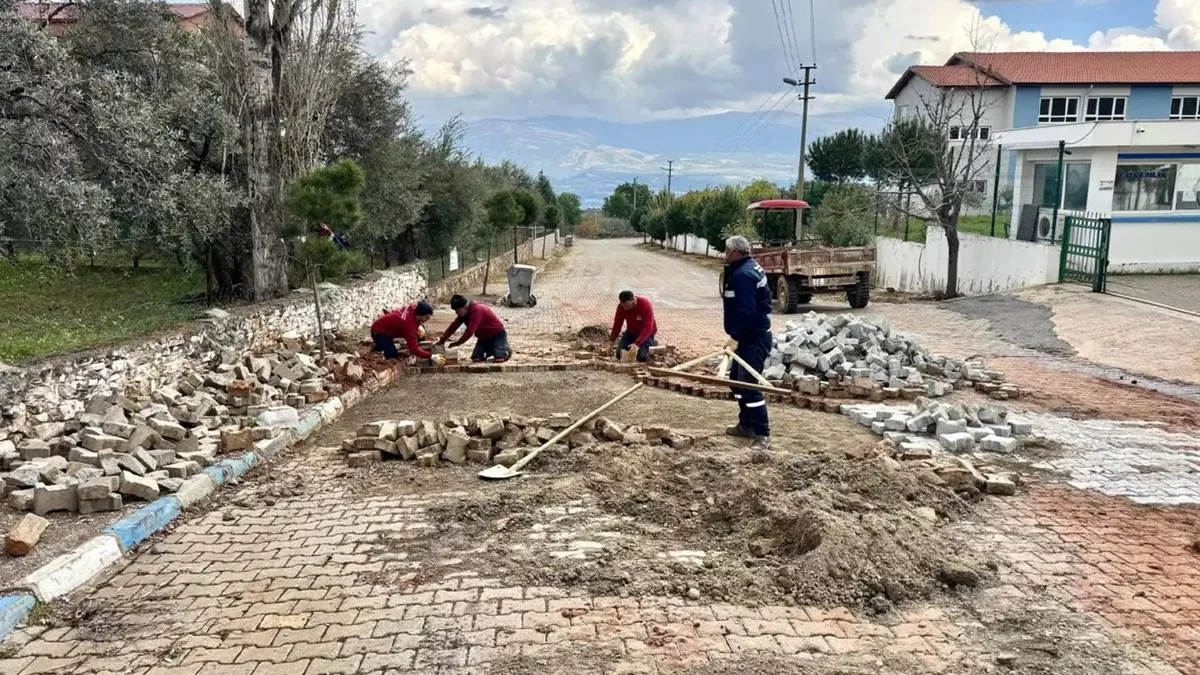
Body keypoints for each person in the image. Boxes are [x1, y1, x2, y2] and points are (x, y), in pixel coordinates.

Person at [721, 235, 773, 451]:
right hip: (749, 336)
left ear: (734, 252)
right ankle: (746, 425)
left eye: (726, 250)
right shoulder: (747, 267)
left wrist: (736, 337)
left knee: (749, 387)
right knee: (737, 383)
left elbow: (747, 312)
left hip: (752, 338)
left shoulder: (743, 275)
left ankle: (762, 434)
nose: (724, 254)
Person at [437, 294, 512, 363]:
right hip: (484, 338)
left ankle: (505, 349)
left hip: (497, 334)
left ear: (465, 307)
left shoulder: (477, 310)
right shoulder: (463, 314)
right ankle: (495, 349)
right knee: (476, 358)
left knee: (499, 359)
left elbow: (470, 331)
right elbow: (453, 327)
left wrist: (458, 343)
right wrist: (442, 341)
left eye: (457, 311)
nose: (456, 313)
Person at [370, 301, 436, 362]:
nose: (428, 320)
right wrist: (431, 356)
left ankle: (392, 344)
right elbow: (413, 349)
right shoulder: (409, 325)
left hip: (391, 328)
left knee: (420, 334)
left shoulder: (413, 309)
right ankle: (378, 347)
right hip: (379, 331)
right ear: (420, 314)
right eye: (426, 317)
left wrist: (419, 326)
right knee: (392, 354)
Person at [608, 290, 657, 362]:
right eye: (623, 306)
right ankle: (638, 344)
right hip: (631, 333)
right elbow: (617, 324)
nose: (625, 308)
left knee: (642, 357)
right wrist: (611, 342)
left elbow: (648, 326)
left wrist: (637, 344)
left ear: (633, 300)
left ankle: (652, 342)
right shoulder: (621, 307)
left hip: (646, 333)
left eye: (627, 306)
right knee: (619, 355)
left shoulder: (645, 304)